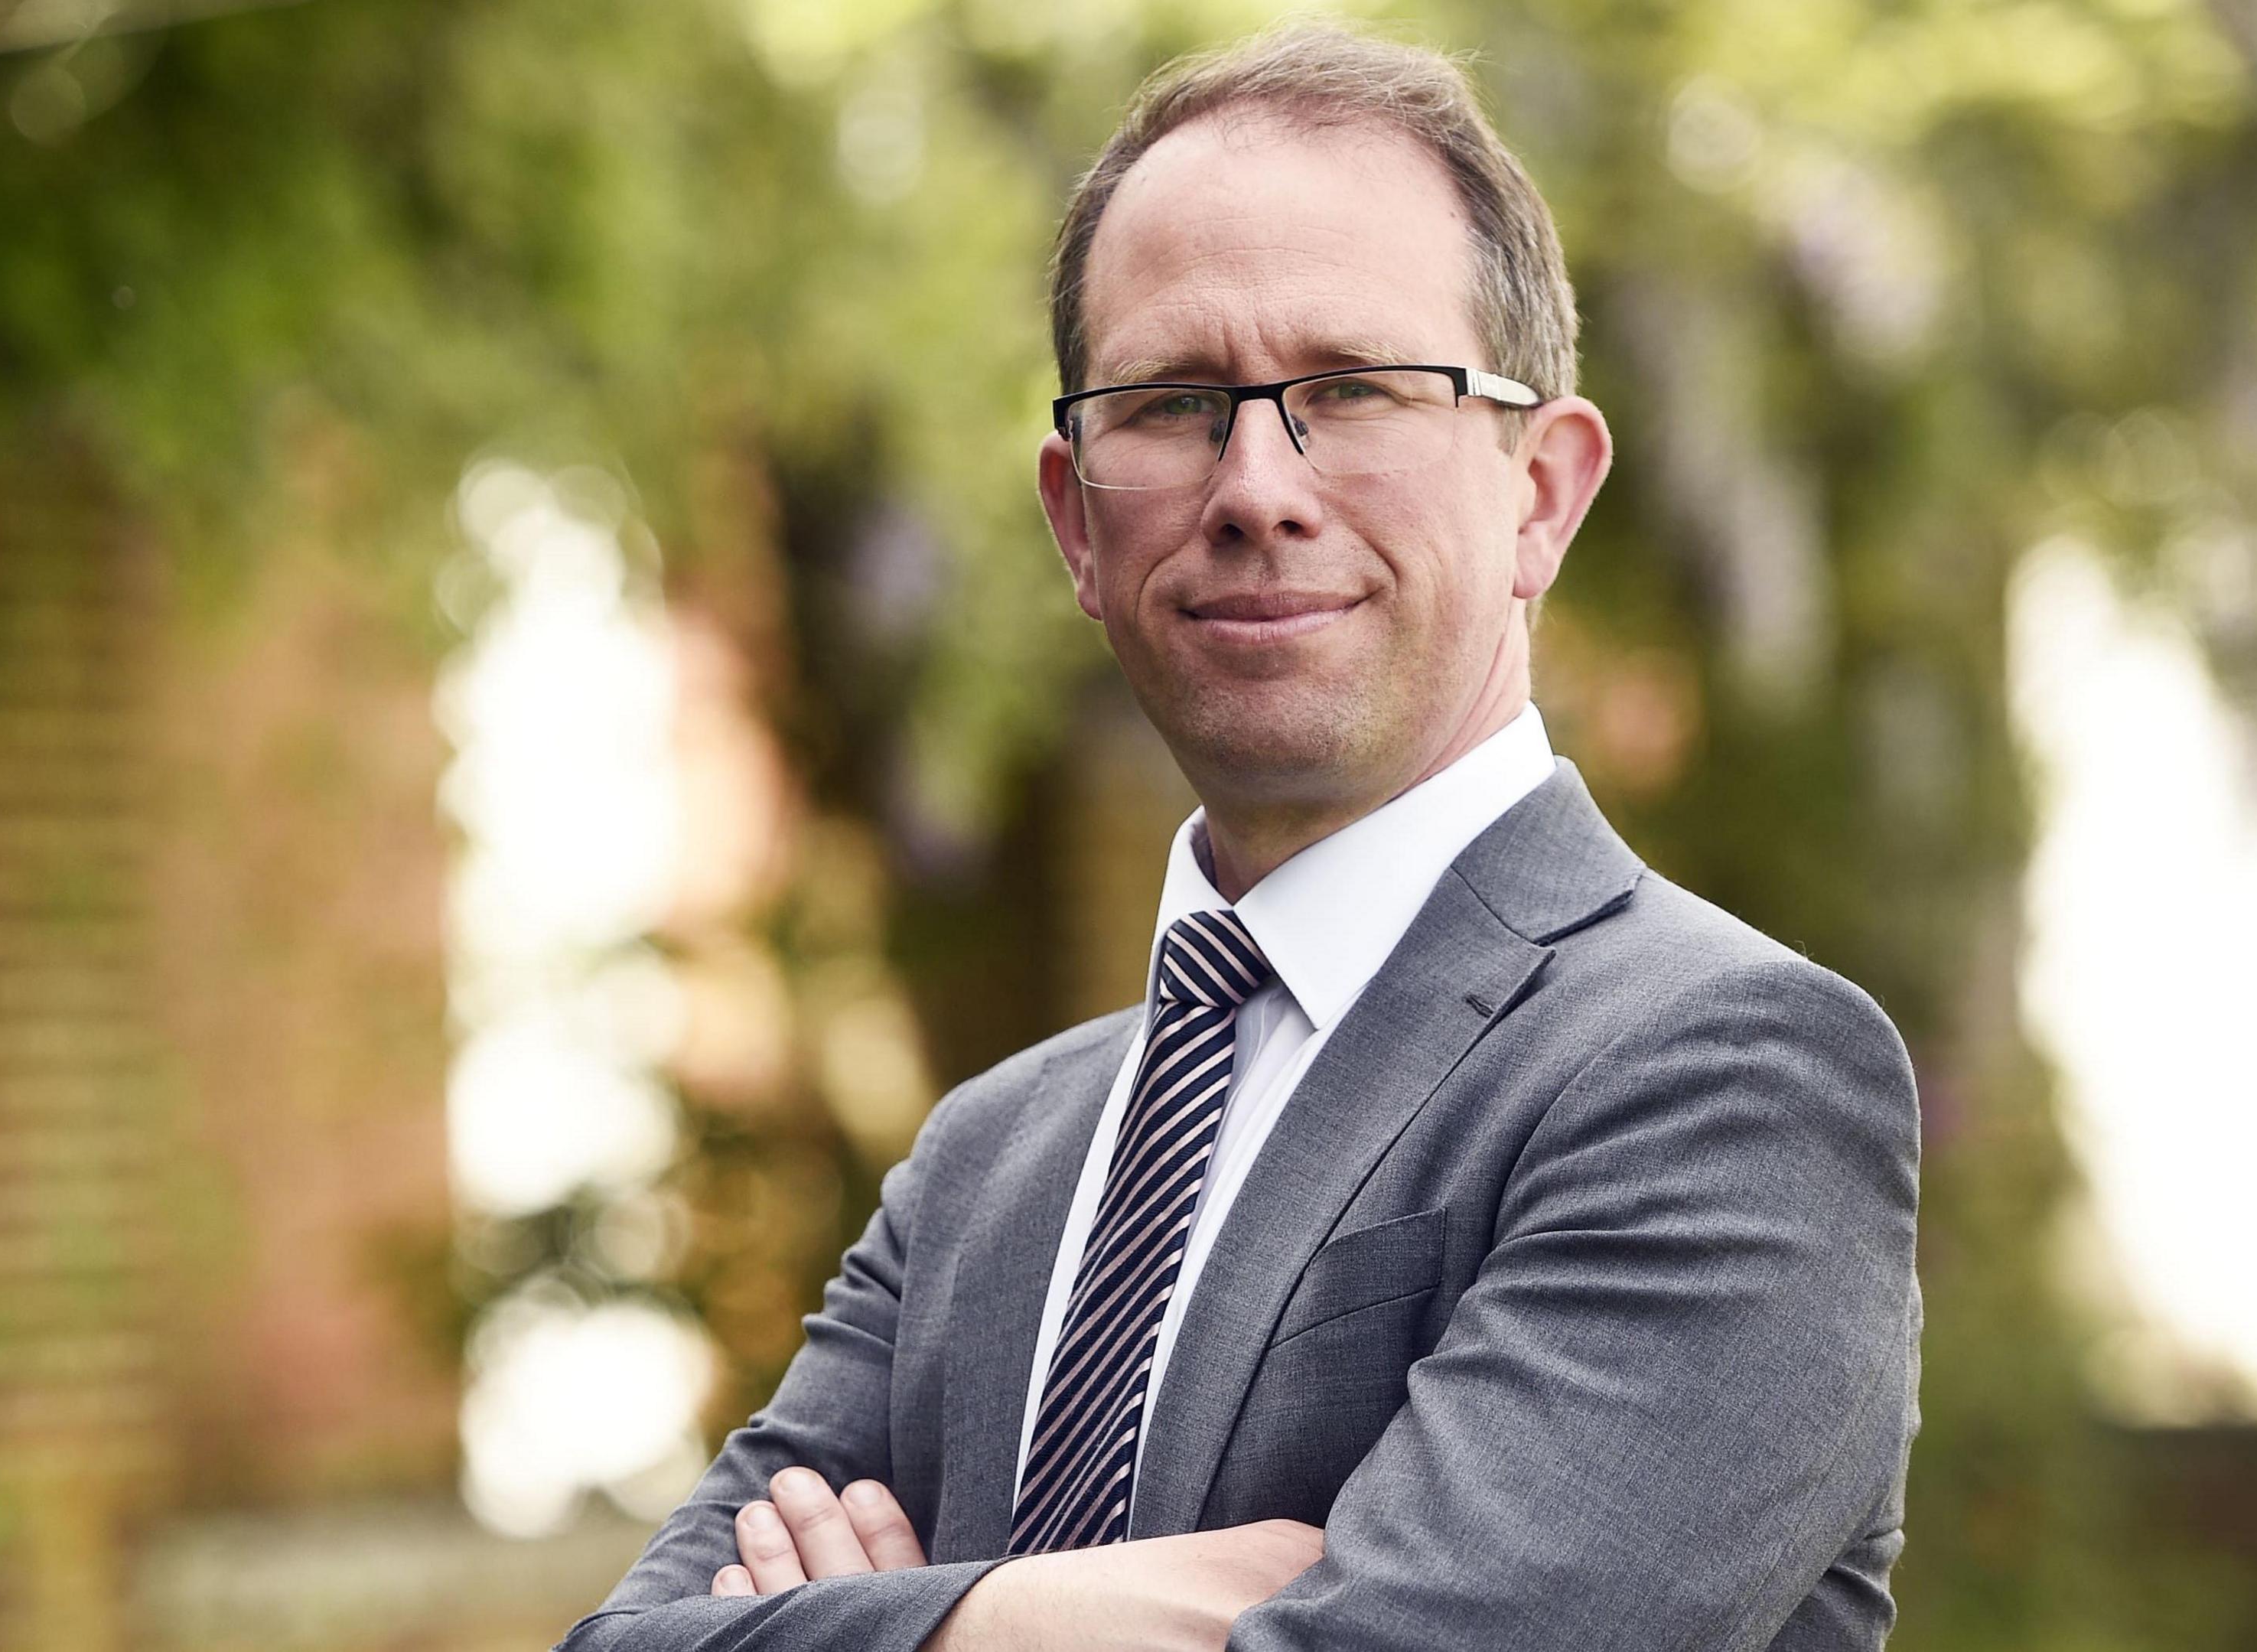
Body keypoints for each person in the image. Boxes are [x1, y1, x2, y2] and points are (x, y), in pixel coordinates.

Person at [559, 21, 1920, 1652]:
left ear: (1542, 495)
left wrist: (878, 1624)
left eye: (1351, 389)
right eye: (1174, 402)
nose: (1257, 485)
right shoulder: (986, 1167)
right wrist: (1034, 1619)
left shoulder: (1723, 1075)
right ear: (1075, 520)